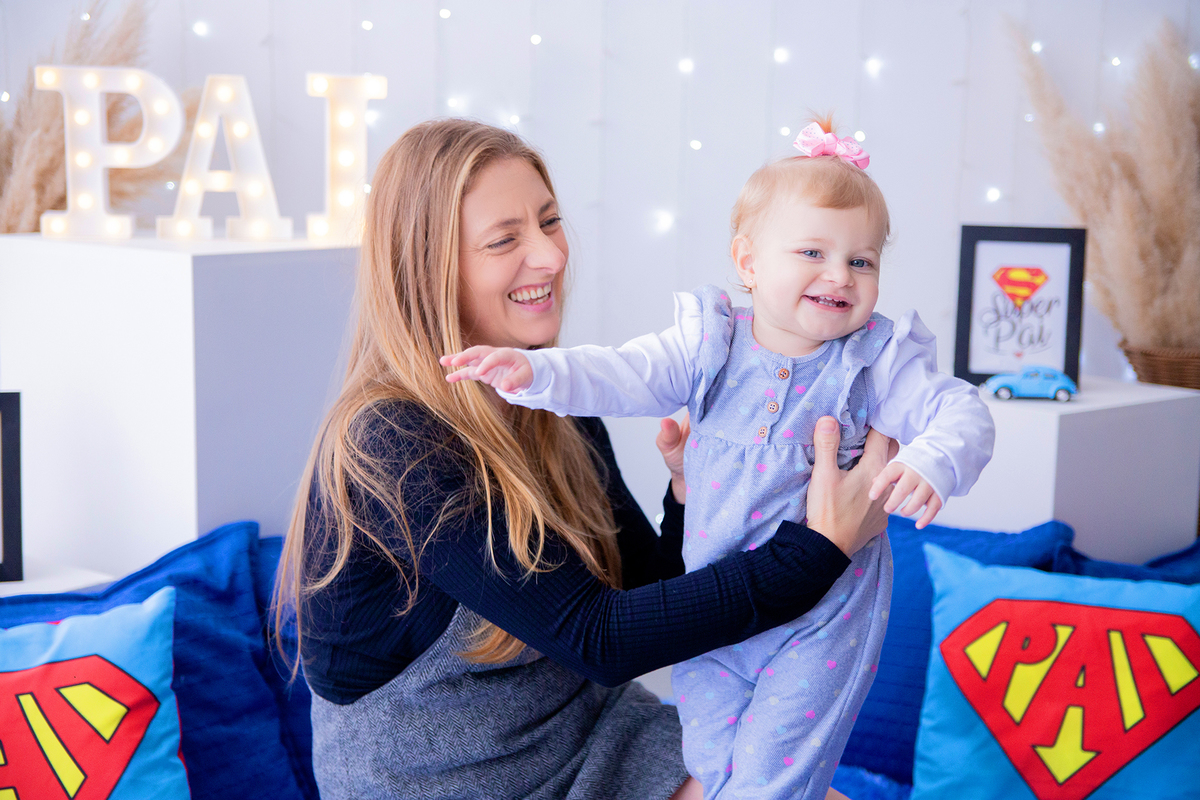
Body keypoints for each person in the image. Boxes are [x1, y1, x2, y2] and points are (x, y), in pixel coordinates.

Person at [273, 117, 898, 800]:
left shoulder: (550, 397)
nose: (549, 256)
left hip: (592, 736)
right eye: (505, 239)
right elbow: (601, 640)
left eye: (549, 221)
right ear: (428, 270)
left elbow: (637, 593)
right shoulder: (393, 442)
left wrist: (688, 497)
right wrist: (821, 546)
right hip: (444, 782)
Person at [439, 118, 995, 799]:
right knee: (712, 756)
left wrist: (935, 461)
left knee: (770, 781)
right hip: (716, 620)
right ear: (749, 262)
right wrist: (537, 375)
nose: (839, 275)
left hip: (820, 622)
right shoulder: (710, 345)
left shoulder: (875, 361)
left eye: (862, 261)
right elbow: (621, 373)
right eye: (813, 252)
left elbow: (962, 411)